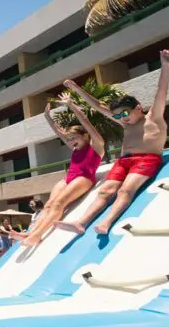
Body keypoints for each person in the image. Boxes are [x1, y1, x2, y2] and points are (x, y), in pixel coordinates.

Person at [56, 49, 169, 235]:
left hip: (146, 159)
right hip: (123, 161)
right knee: (105, 191)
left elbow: (161, 91)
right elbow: (98, 106)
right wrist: (77, 89)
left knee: (125, 190)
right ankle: (80, 223)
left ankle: (106, 222)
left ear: (138, 108)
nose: (122, 118)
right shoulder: (124, 123)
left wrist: (166, 66)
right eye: (118, 115)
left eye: (125, 113)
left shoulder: (153, 117)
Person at [22, 95, 106, 246]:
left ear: (86, 136)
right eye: (69, 139)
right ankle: (31, 233)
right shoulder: (74, 148)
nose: (72, 141)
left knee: (59, 203)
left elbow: (86, 123)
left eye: (74, 137)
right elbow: (59, 132)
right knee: (48, 205)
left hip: (84, 178)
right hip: (68, 179)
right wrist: (47, 117)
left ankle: (38, 236)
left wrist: (71, 105)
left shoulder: (96, 146)